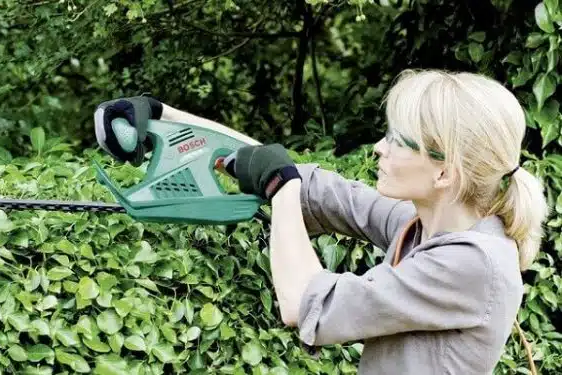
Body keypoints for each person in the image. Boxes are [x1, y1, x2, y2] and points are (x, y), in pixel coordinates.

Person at [93, 69, 548, 375]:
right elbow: (303, 182)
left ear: (445, 172)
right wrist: (163, 118)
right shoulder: (427, 225)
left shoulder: (471, 264)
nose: (379, 148)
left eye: (397, 140)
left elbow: (307, 304)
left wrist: (282, 189)